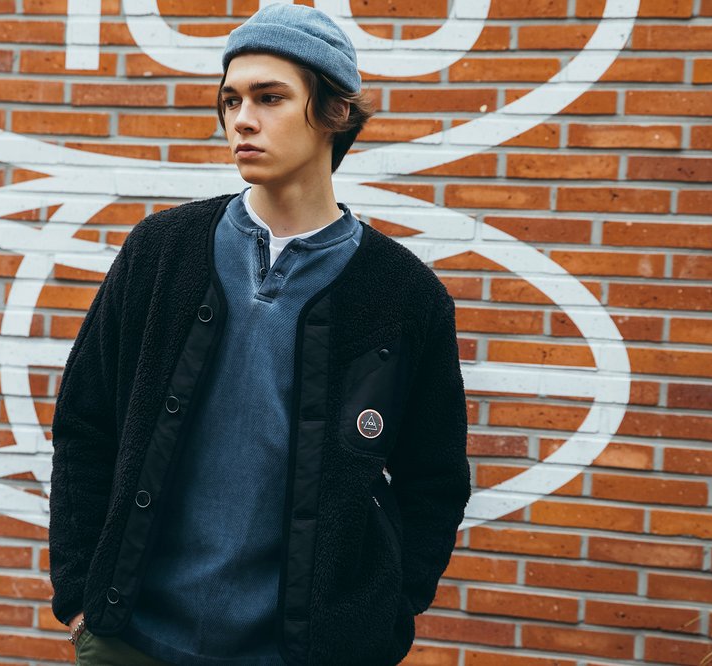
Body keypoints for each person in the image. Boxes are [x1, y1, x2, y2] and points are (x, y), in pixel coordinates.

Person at [48, 4, 471, 665]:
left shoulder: (404, 294)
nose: (242, 119)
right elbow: (84, 422)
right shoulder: (161, 251)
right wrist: (80, 602)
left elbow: (435, 479)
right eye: (231, 100)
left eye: (270, 98)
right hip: (131, 639)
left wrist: (384, 614)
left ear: (334, 112)